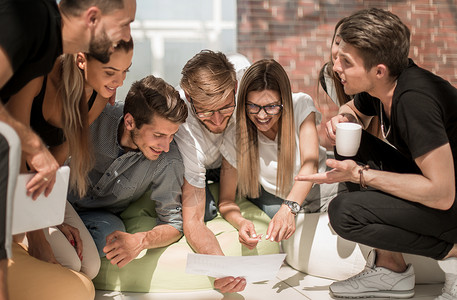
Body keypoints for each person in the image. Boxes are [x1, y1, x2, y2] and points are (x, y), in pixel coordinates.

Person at [296, 8, 457, 299]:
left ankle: (454, 253)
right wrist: (343, 119)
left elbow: (442, 193)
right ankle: (390, 269)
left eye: (345, 61)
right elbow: (353, 111)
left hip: (449, 200)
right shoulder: (385, 85)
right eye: (337, 57)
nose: (335, 67)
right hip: (444, 196)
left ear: (378, 70)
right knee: (351, 144)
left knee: (345, 214)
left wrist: (361, 175)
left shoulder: (413, 102)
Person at [0, 0, 135, 298]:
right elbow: (17, 147)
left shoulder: (99, 96)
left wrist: (54, 216)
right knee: (72, 274)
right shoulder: (37, 57)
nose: (120, 81)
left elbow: (55, 163)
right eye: (125, 23)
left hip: (37, 184)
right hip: (14, 177)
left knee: (88, 266)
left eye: (125, 71)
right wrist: (37, 236)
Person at [219, 59, 341, 249]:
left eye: (271, 107)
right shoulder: (234, 134)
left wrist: (289, 208)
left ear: (284, 100)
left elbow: (310, 165)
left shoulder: (300, 104)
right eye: (253, 106)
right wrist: (241, 223)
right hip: (276, 201)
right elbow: (226, 200)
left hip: (320, 190)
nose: (261, 116)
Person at [68, 75, 188, 268]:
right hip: (57, 202)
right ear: (130, 122)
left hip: (98, 219)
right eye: (159, 135)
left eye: (172, 135)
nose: (166, 146)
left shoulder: (168, 160)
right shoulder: (95, 118)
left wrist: (141, 240)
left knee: (112, 235)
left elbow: (174, 224)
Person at [174, 50, 251, 293]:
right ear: (188, 97)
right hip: (199, 164)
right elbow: (193, 221)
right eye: (206, 112)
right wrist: (220, 267)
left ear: (236, 87)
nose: (218, 121)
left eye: (225, 108)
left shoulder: (245, 77)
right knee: (205, 211)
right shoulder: (184, 123)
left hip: (233, 157)